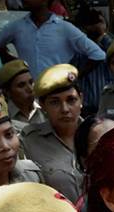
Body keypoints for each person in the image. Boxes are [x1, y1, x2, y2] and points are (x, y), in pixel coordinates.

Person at [0, 0, 105, 78]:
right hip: (28, 93)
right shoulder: (16, 26)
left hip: (56, 91)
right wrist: (11, 60)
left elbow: (98, 54)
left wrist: (75, 76)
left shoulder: (64, 28)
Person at [20, 64, 84, 203]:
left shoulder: (98, 134)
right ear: (42, 106)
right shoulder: (30, 141)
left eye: (71, 100)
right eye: (55, 102)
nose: (65, 109)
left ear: (81, 100)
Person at [74, 8, 114, 116]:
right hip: (86, 108)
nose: (98, 25)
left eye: (101, 22)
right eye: (94, 22)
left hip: (109, 107)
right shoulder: (79, 48)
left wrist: (102, 35)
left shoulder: (110, 45)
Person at [0, 59, 45, 129]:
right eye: (21, 85)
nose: (30, 89)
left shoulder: (45, 108)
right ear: (7, 92)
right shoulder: (4, 116)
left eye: (31, 82)